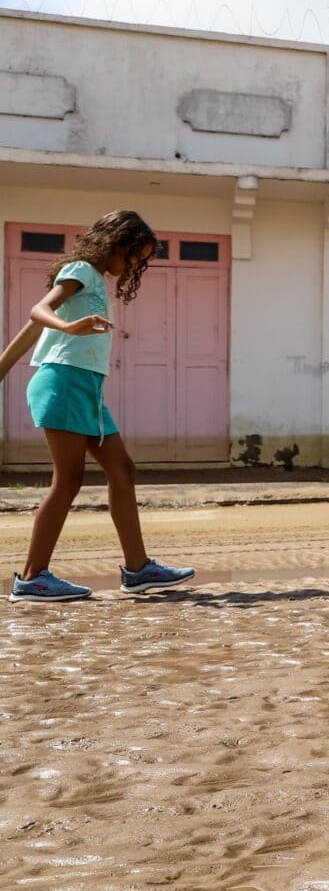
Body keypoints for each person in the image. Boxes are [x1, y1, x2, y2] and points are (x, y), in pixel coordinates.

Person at [12, 211, 196, 602]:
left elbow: (31, 330)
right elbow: (38, 312)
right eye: (132, 256)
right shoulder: (80, 269)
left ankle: (138, 570)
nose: (132, 266)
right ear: (114, 243)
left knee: (122, 470)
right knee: (69, 479)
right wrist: (68, 327)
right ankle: (32, 578)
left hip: (86, 389)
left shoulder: (92, 280)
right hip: (64, 382)